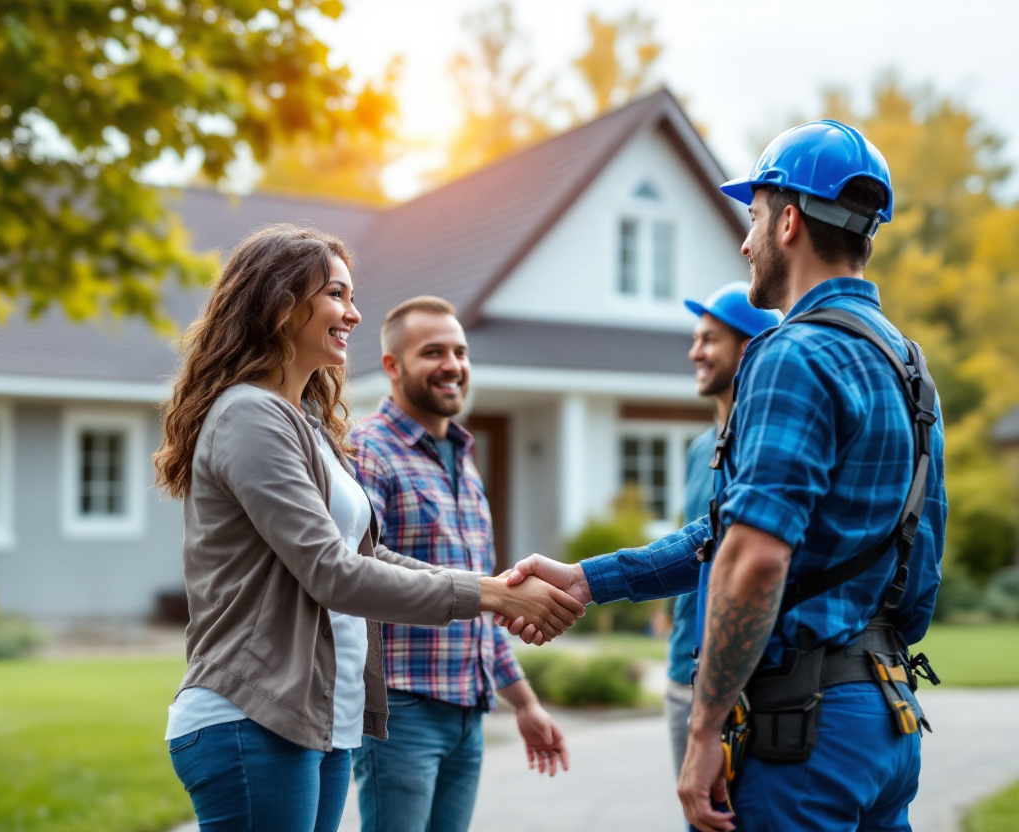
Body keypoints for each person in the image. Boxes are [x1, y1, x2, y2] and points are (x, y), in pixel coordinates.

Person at [502, 121, 946, 832]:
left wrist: (705, 727)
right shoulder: (910, 368)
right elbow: (735, 534)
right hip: (885, 721)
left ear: (790, 220)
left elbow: (754, 558)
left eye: (753, 218)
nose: (746, 243)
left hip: (802, 734)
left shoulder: (789, 354)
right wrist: (589, 579)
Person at [153, 225, 585, 832]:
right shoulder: (248, 415)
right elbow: (331, 573)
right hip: (250, 717)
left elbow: (369, 552)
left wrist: (490, 590)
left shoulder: (302, 423)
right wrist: (490, 595)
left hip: (318, 719)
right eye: (336, 294)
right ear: (281, 301)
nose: (353, 313)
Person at [350, 296, 570, 832]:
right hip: (401, 710)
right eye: (433, 352)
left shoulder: (464, 461)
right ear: (392, 366)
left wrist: (524, 703)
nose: (453, 365)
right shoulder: (366, 451)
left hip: (468, 715)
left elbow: (484, 601)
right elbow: (359, 569)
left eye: (460, 351)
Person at [666, 284, 779, 781]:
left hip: (746, 678)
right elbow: (692, 547)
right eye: (696, 339)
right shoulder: (696, 450)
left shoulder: (771, 448)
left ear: (748, 348)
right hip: (681, 673)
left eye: (709, 339)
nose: (695, 352)